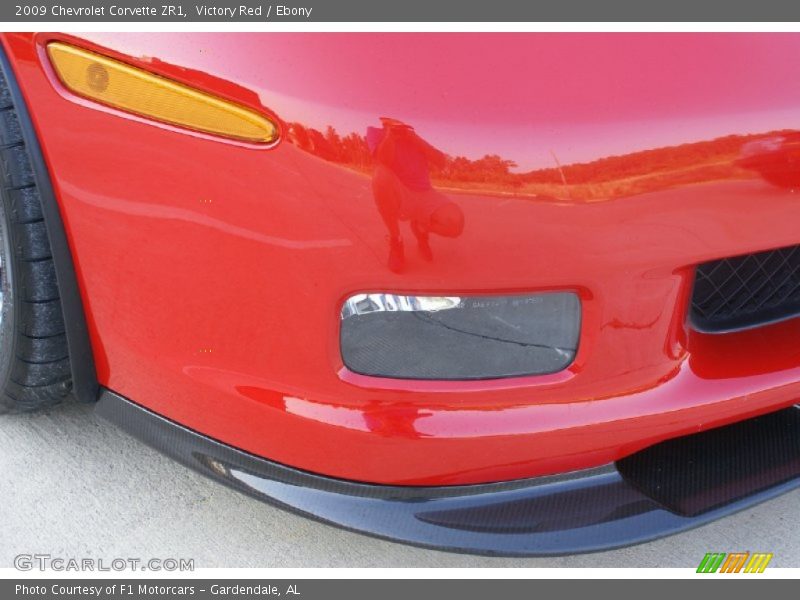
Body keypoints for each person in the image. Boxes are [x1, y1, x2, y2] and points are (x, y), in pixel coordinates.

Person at [367, 118, 464, 273]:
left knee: (455, 224)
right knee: (380, 175)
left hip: (425, 193)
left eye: (399, 123)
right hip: (399, 191)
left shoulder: (413, 137)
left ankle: (420, 228)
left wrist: (414, 138)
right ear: (384, 121)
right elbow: (383, 160)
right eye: (392, 123)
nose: (397, 126)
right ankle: (396, 241)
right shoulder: (375, 132)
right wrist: (390, 136)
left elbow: (441, 162)